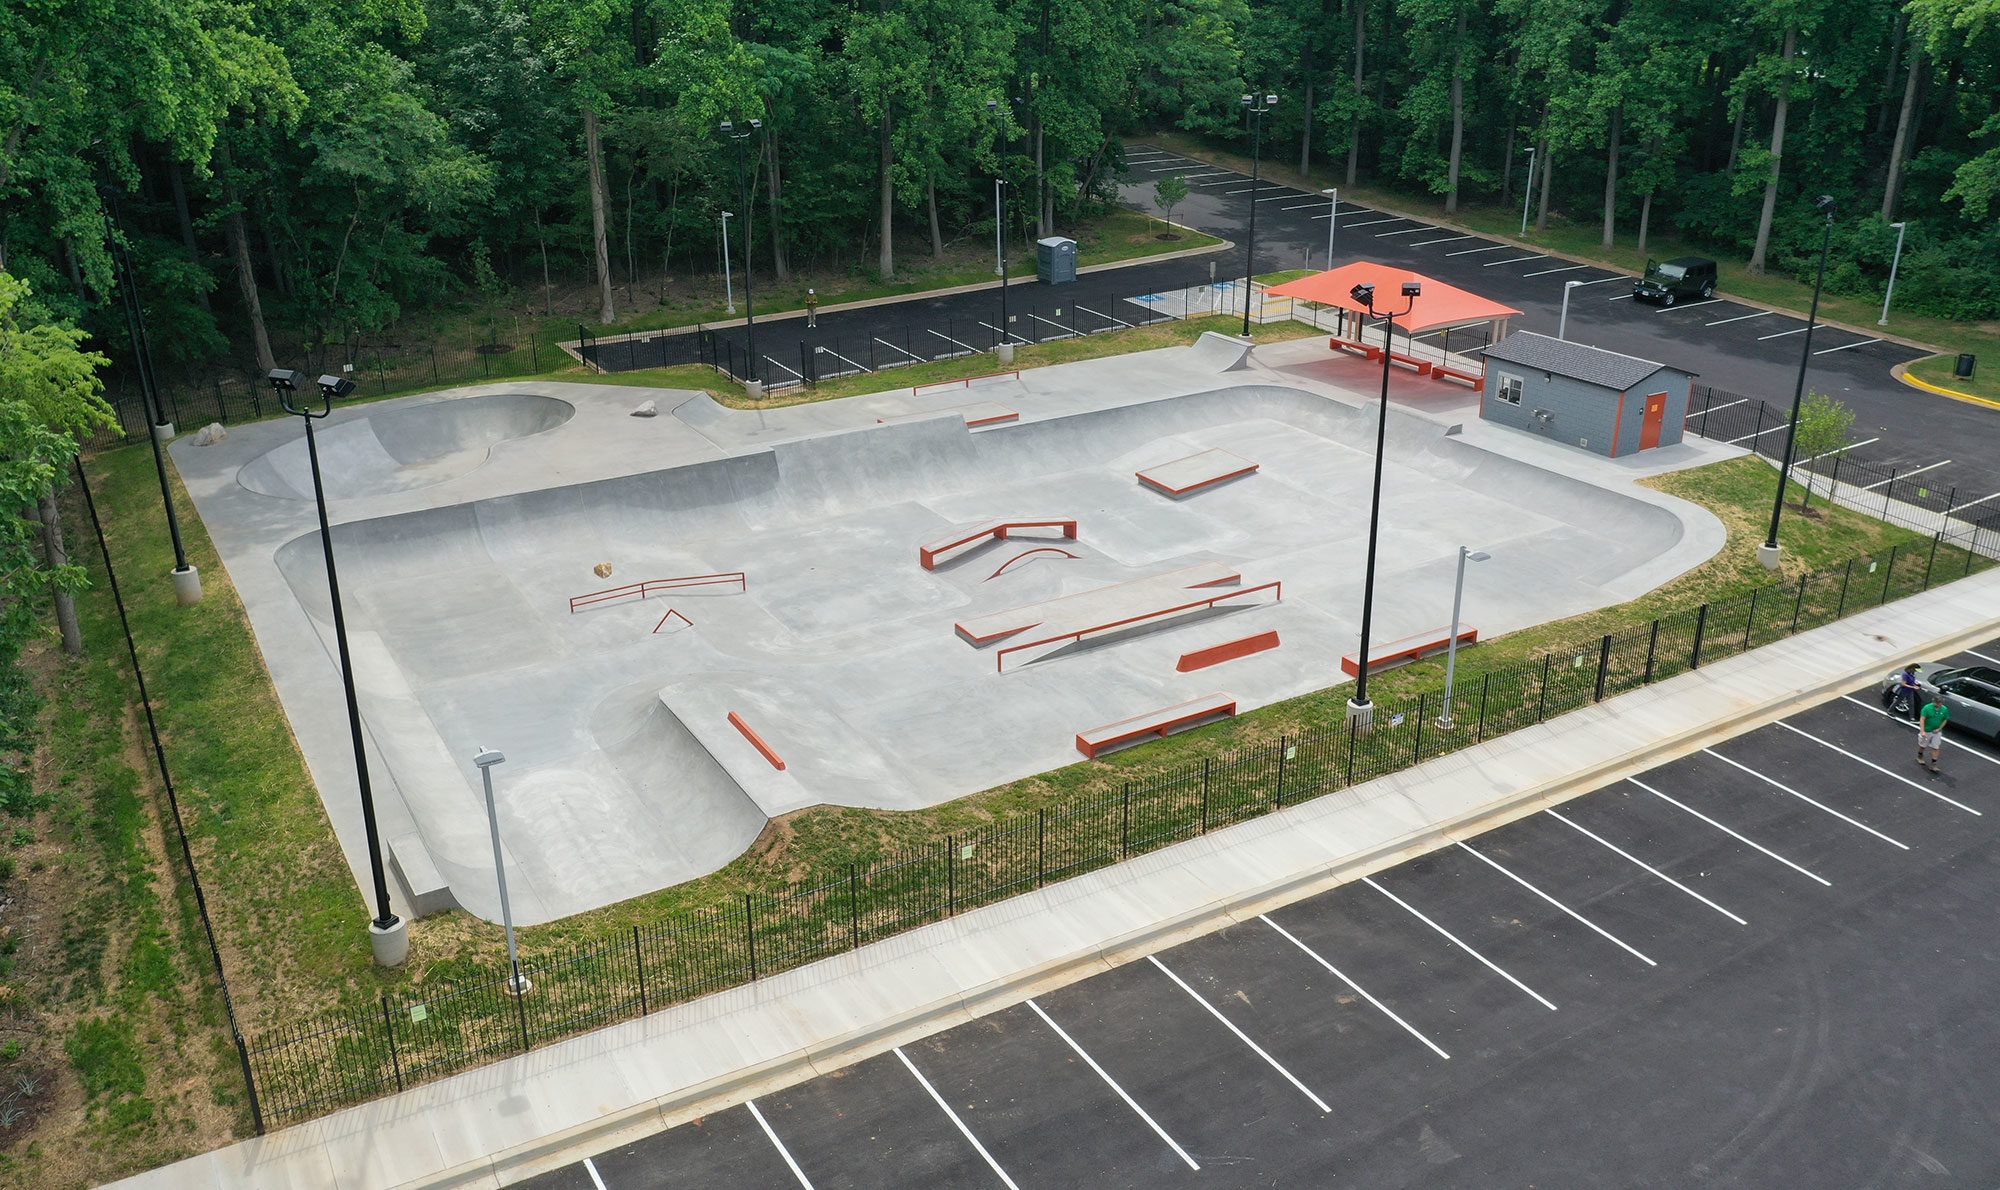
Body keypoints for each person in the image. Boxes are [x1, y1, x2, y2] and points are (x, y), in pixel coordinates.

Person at [1917, 695, 1949, 774]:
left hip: (1937, 732)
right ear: (1934, 702)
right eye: (1938, 703)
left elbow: (1945, 719)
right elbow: (1922, 719)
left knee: (1936, 747)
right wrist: (1922, 730)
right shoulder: (1927, 708)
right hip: (1927, 730)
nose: (1939, 704)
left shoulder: (1944, 709)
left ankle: (1933, 764)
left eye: (1940, 703)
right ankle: (1920, 755)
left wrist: (1939, 729)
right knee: (1923, 745)